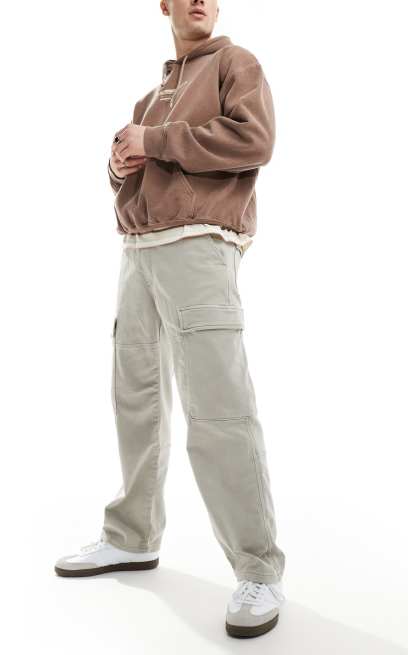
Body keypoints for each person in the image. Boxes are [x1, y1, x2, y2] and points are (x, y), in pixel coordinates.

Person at [54, 0, 286, 639]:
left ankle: (258, 568)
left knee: (219, 409)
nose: (199, 0)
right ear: (164, 4)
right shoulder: (150, 95)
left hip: (198, 247)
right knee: (136, 401)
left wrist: (153, 142)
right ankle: (131, 535)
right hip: (138, 252)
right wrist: (118, 166)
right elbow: (133, 180)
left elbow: (254, 141)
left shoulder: (236, 64)